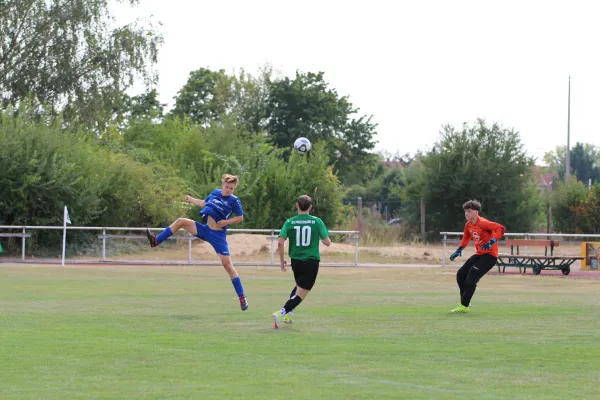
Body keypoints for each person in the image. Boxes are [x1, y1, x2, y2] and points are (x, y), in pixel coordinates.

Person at [145, 174, 248, 311]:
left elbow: (240, 218)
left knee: (228, 265)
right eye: (227, 187)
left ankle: (242, 298)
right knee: (181, 221)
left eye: (232, 188)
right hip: (205, 230)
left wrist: (226, 222)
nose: (229, 190)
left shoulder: (234, 201)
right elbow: (204, 203)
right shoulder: (216, 193)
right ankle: (156, 241)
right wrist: (191, 199)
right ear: (223, 184)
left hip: (218, 235)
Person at [272, 195, 331, 329]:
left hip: (296, 262)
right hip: (311, 261)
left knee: (299, 286)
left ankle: (288, 315)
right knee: (302, 293)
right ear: (310, 207)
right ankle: (281, 312)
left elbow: (280, 242)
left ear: (297, 206)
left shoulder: (290, 222)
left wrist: (281, 260)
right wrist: (320, 238)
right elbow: (327, 242)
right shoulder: (317, 221)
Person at [449, 199, 506, 313]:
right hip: (479, 254)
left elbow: (501, 228)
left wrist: (491, 242)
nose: (466, 213)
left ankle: (464, 306)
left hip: (490, 256)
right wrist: (459, 249)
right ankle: (465, 300)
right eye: (465, 211)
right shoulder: (468, 224)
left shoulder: (483, 223)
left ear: (476, 212)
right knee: (461, 274)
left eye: (469, 211)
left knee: (471, 278)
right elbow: (466, 237)